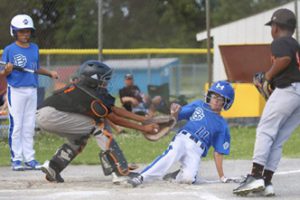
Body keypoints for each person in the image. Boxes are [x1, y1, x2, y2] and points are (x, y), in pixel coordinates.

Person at [36, 60, 159, 184]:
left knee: (80, 138)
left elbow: (115, 110)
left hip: (45, 115)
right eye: (103, 79)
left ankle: (53, 167)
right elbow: (114, 118)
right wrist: (143, 128)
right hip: (53, 115)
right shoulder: (93, 93)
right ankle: (120, 172)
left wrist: (144, 119)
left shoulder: (83, 87)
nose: (106, 82)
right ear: (94, 79)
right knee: (99, 124)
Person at [233, 8, 300, 197]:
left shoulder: (280, 41)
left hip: (289, 90)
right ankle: (267, 181)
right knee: (278, 139)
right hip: (297, 93)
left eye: (272, 26)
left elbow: (284, 59)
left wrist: (267, 77)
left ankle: (255, 176)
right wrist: (271, 83)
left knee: (265, 131)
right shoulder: (295, 44)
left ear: (276, 27)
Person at [127, 80, 235, 187]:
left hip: (197, 150)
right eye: (213, 96)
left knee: (188, 179)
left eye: (220, 98)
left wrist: (222, 176)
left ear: (226, 102)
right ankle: (141, 177)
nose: (215, 100)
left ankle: (176, 175)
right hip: (183, 138)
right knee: (170, 155)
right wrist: (175, 111)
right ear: (209, 95)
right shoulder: (199, 105)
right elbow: (177, 116)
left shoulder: (222, 125)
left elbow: (218, 152)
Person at [0, 14, 58, 171]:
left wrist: (50, 73)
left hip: (32, 90)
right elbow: (2, 73)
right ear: (14, 32)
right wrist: (7, 69)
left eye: (27, 31)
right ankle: (16, 160)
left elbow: (35, 67)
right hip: (16, 91)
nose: (25, 34)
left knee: (29, 125)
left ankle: (30, 159)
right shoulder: (9, 50)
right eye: (21, 31)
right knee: (17, 125)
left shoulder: (34, 48)